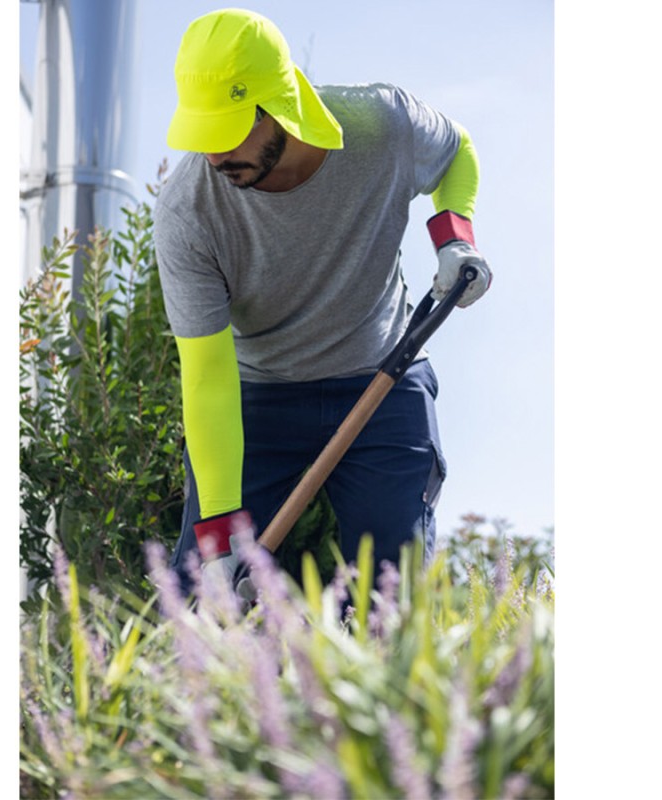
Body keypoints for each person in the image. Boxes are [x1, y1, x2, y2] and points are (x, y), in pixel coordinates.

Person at [153, 8, 492, 594]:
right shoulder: (188, 213)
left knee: (395, 594)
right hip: (259, 399)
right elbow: (207, 377)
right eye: (201, 135)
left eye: (228, 131)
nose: (213, 156)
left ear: (279, 103)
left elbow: (457, 149)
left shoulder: (381, 125)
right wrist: (219, 536)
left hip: (381, 379)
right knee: (200, 596)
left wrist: (455, 241)